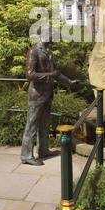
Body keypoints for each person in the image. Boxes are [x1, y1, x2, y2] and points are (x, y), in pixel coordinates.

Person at [21, 27, 78, 165]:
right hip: (36, 94)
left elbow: (56, 73)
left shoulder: (49, 52)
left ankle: (43, 150)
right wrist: (49, 76)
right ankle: (26, 156)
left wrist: (69, 82)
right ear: (46, 35)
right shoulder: (34, 50)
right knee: (32, 124)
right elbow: (30, 75)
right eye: (53, 36)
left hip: (47, 94)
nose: (54, 39)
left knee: (45, 123)